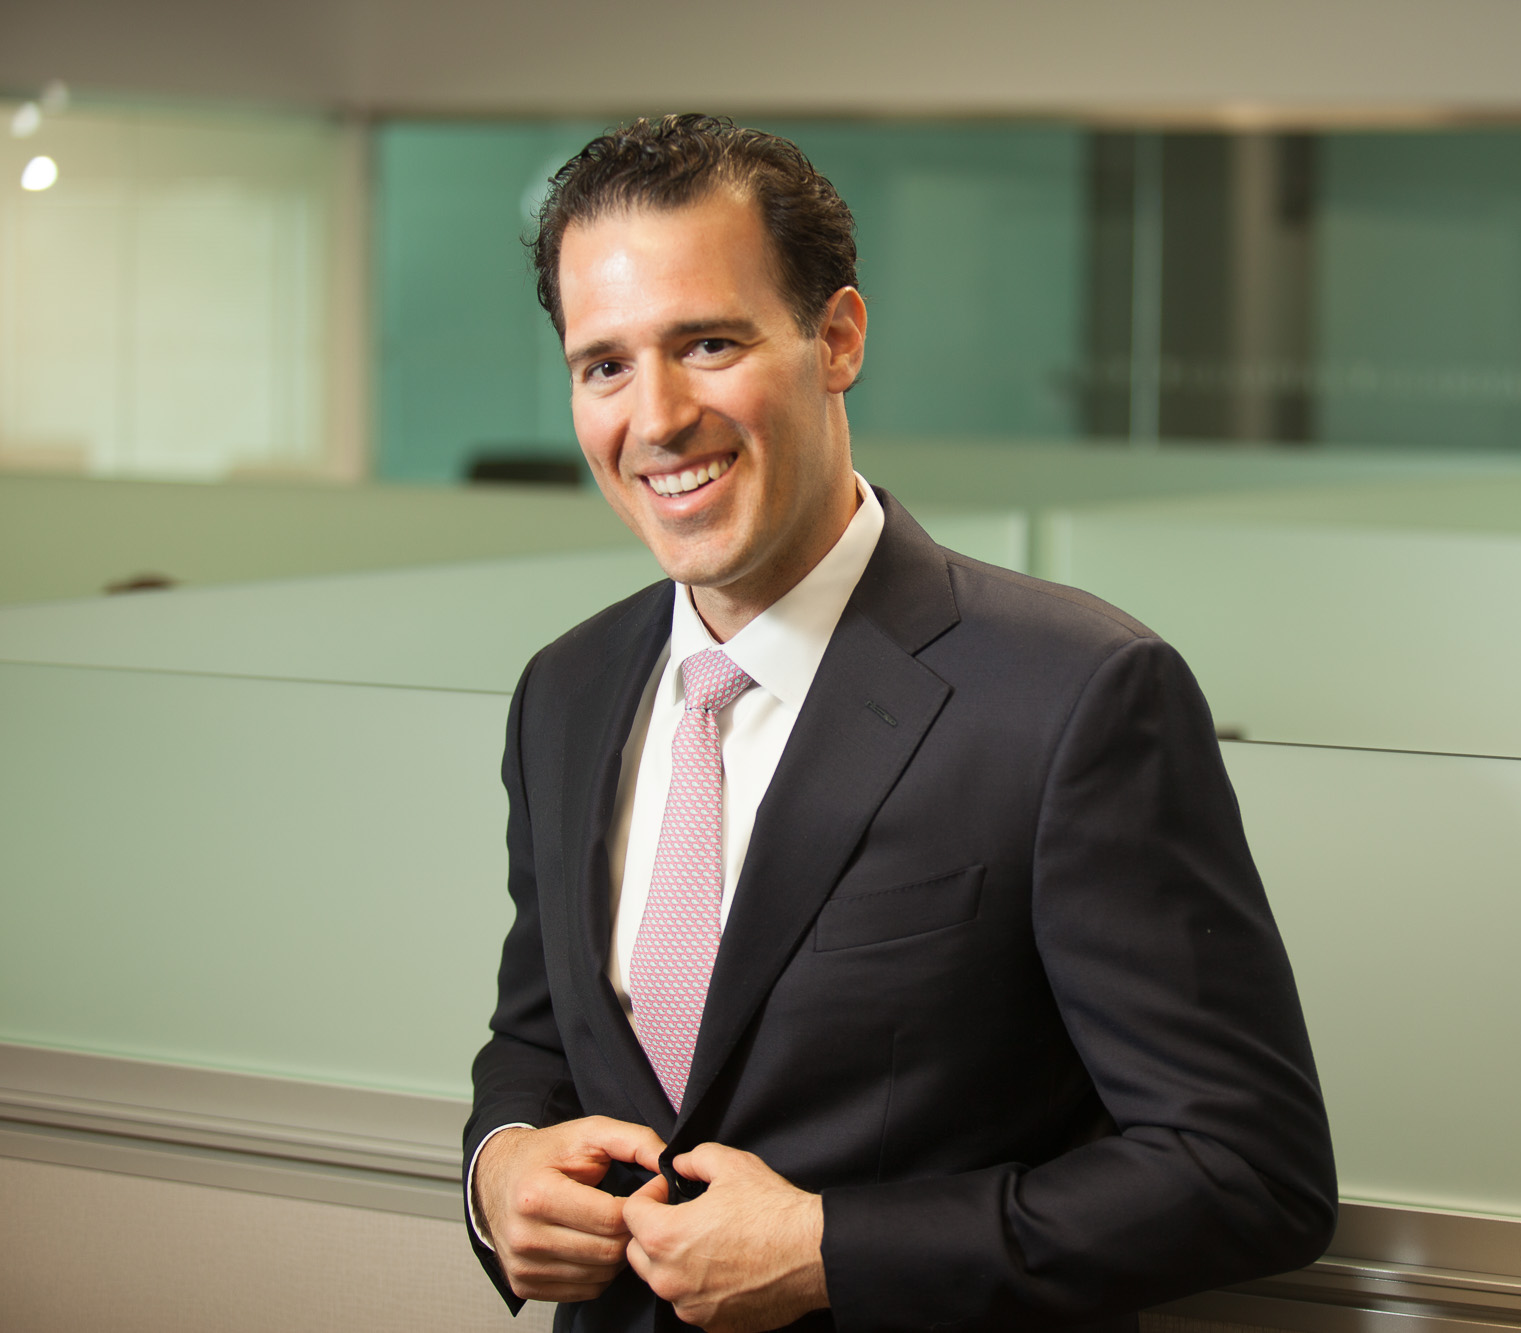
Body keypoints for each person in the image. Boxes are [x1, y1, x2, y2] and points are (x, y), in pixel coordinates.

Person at [464, 113, 1336, 1333]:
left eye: (706, 343)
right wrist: (500, 1161)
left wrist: (831, 1249)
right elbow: (538, 1040)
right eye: (603, 364)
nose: (654, 418)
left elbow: (1247, 1171)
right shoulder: (564, 692)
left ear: (836, 337)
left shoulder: (1075, 693)